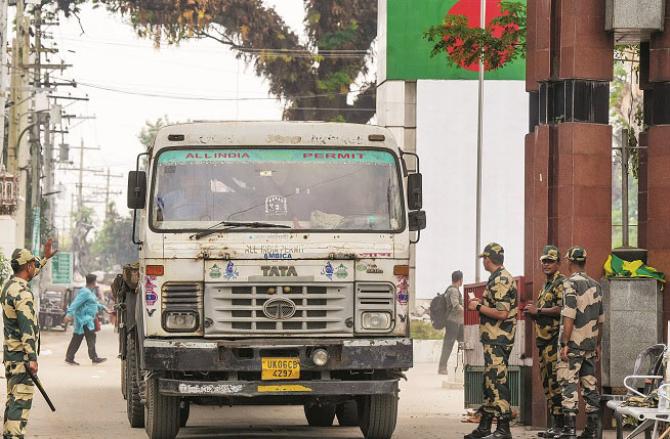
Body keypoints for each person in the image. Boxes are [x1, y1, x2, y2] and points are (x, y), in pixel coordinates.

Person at [1, 241, 56, 439]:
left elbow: (30, 273)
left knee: (12, 401)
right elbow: (26, 328)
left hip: (10, 357)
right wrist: (32, 358)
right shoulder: (23, 293)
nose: (35, 266)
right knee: (20, 403)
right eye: (33, 263)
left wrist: (45, 258)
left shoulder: (10, 286)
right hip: (22, 359)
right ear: (27, 267)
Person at [465, 242, 517, 439]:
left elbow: (502, 313)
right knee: (489, 383)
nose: (483, 262)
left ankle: (504, 429)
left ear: (488, 259)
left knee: (498, 383)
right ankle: (485, 427)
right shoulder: (496, 278)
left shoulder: (501, 279)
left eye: (484, 259)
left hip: (499, 340)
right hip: (494, 340)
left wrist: (477, 307)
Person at [557, 247, 604, 439]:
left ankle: (569, 431)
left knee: (568, 383)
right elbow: (601, 319)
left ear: (570, 262)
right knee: (589, 385)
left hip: (574, 344)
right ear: (584, 261)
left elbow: (569, 315)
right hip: (590, 345)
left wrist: (565, 343)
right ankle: (593, 431)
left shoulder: (570, 284)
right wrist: (597, 344)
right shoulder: (596, 285)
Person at [524, 245, 565, 438]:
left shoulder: (561, 283)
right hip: (543, 342)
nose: (546, 264)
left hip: (555, 342)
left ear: (558, 263)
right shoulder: (545, 285)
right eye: (544, 261)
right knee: (548, 385)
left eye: (550, 261)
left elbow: (561, 309)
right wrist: (533, 312)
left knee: (556, 384)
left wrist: (538, 311)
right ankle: (554, 425)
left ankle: (561, 426)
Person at [64, 274, 107, 365]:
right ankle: (94, 358)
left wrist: (103, 307)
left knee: (77, 338)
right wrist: (69, 314)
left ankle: (70, 357)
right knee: (90, 337)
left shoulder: (89, 292)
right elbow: (75, 303)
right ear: (94, 282)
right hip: (84, 320)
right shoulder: (85, 292)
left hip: (86, 320)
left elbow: (93, 304)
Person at [438, 270, 464, 375]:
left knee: (463, 343)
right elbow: (456, 305)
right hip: (453, 322)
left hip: (459, 322)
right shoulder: (453, 290)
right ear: (460, 280)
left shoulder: (451, 289)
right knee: (448, 345)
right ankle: (442, 367)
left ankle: (462, 366)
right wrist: (465, 310)